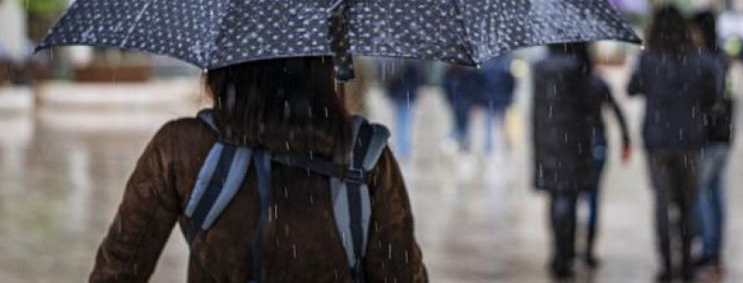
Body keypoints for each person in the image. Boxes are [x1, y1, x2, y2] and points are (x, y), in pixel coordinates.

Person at [89, 57, 428, 282]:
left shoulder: (180, 147)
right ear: (322, 66)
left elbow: (119, 270)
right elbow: (400, 274)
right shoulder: (364, 156)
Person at [628, 5, 717, 283]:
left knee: (662, 203)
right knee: (687, 205)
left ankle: (666, 266)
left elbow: (632, 88)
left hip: (657, 141)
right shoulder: (699, 59)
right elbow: (712, 95)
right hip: (690, 140)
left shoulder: (648, 59)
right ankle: (687, 266)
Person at [532, 43, 595, 279]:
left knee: (555, 195)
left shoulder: (539, 67)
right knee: (568, 197)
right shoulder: (577, 66)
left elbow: (537, 107)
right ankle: (565, 253)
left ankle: (557, 252)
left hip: (546, 139)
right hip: (573, 140)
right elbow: (588, 105)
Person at [691, 11, 734, 272]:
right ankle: (715, 250)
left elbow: (707, 101)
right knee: (715, 193)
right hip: (724, 136)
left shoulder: (704, 60)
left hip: (708, 137)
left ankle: (708, 250)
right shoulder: (723, 58)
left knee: (703, 194)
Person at [583, 51, 632, 268]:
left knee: (572, 196)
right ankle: (588, 250)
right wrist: (626, 140)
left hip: (571, 146)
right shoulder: (598, 82)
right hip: (597, 143)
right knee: (593, 197)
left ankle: (567, 248)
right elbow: (617, 111)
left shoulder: (565, 81)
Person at [382, 60, 425, 160]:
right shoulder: (413, 64)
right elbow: (418, 81)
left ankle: (402, 148)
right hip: (407, 96)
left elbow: (388, 80)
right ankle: (404, 149)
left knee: (401, 121)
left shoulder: (394, 63)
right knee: (405, 122)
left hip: (399, 96)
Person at [442, 64, 483, 153]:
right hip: (455, 102)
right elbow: (446, 87)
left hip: (465, 102)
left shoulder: (469, 73)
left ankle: (462, 144)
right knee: (458, 123)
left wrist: (475, 102)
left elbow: (474, 88)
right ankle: (458, 142)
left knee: (464, 124)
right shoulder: (449, 72)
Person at [479, 56, 516, 155]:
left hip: (490, 100)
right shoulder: (505, 65)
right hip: (500, 100)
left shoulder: (486, 65)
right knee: (501, 125)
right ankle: (504, 146)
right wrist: (508, 98)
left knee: (489, 126)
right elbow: (511, 84)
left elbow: (481, 84)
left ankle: (490, 149)